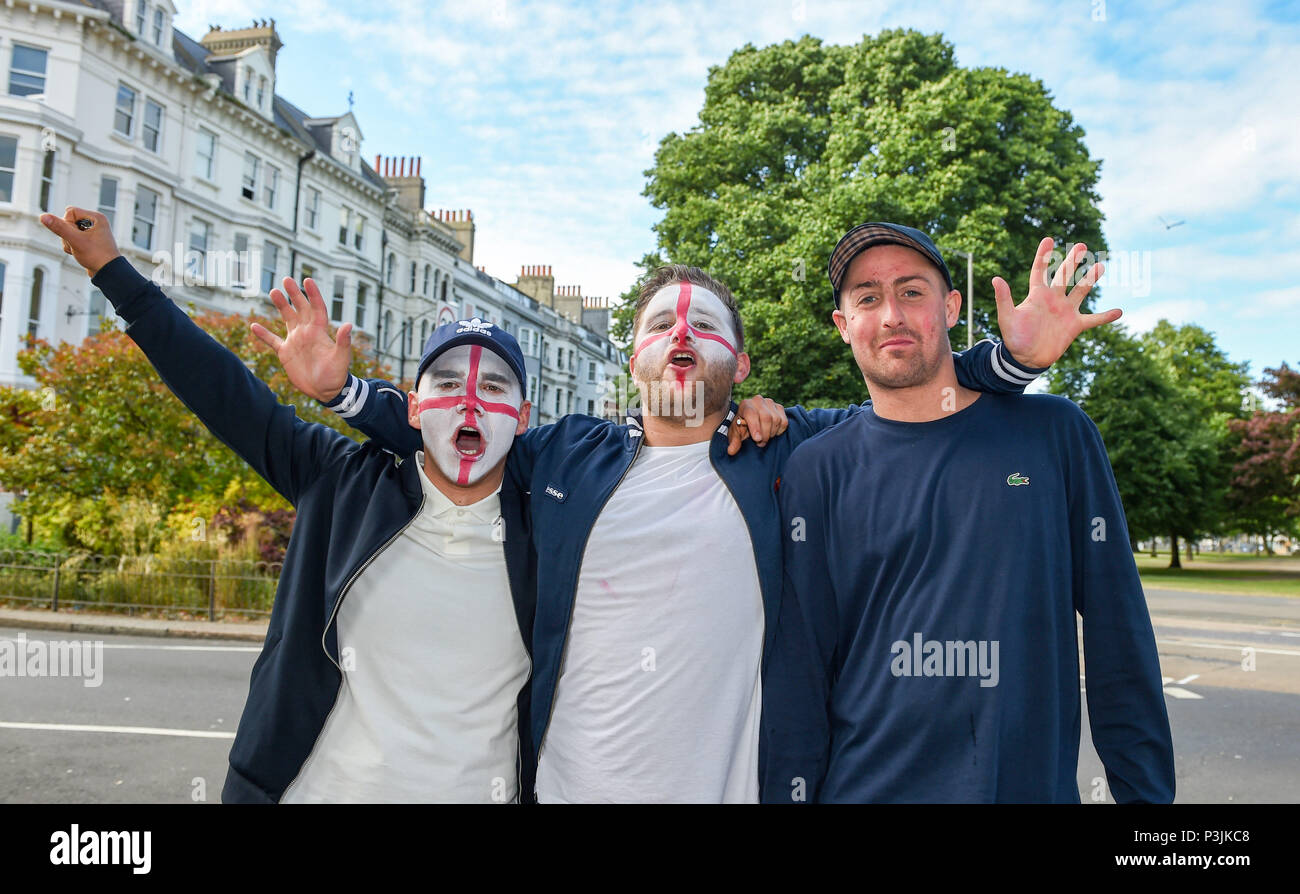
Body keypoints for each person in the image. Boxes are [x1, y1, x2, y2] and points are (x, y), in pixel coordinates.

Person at [276, 239, 1106, 802]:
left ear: (739, 365)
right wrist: (341, 395)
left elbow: (900, 392)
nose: (681, 336)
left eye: (705, 328)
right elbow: (458, 424)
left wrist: (1011, 361)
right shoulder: (565, 455)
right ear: (631, 357)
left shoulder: (786, 451)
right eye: (659, 328)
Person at [41, 207, 537, 804]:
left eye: (492, 388)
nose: (469, 406)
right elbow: (222, 390)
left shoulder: (553, 525)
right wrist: (114, 271)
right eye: (448, 384)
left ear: (525, 420)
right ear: (410, 408)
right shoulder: (340, 480)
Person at [766, 222, 1175, 802]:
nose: (892, 316)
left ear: (952, 307)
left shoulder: (1057, 435)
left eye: (912, 292)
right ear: (843, 325)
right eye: (867, 298)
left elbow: (1120, 640)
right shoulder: (816, 466)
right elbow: (801, 676)